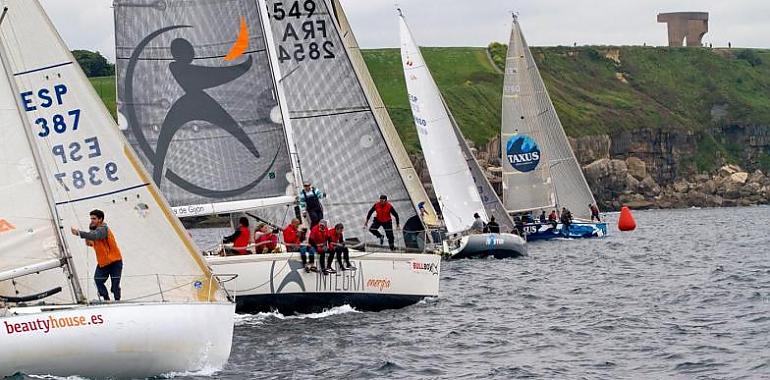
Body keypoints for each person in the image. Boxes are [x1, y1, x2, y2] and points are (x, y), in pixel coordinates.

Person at [70, 210, 123, 301]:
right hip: (103, 263)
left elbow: (95, 236)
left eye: (94, 218)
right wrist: (89, 233)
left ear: (100, 219)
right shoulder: (95, 231)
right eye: (91, 219)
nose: (92, 220)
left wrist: (79, 233)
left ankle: (117, 300)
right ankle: (106, 299)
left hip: (115, 261)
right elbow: (90, 243)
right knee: (98, 280)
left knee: (115, 285)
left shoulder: (104, 229)